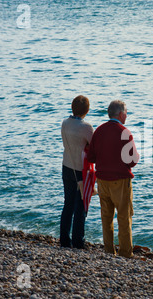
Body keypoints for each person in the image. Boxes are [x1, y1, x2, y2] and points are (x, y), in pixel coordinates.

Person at [87, 100, 139, 258]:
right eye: (126, 113)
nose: (127, 115)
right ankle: (125, 252)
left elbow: (91, 157)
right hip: (120, 180)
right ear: (121, 114)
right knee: (124, 217)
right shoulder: (124, 132)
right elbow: (133, 161)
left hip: (102, 179)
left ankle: (109, 250)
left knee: (106, 216)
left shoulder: (99, 131)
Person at [60, 95, 94, 249]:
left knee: (68, 204)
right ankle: (78, 241)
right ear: (87, 110)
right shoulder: (86, 127)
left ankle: (64, 240)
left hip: (66, 165)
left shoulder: (65, 123)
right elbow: (94, 148)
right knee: (80, 206)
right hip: (81, 170)